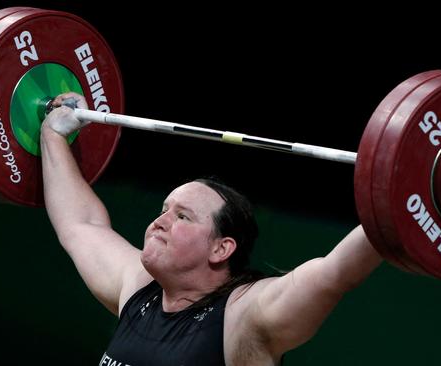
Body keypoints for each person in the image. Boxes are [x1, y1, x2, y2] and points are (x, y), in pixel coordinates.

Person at [40, 92, 383, 365]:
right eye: (164, 209)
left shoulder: (244, 317)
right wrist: (53, 133)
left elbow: (334, 274)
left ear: (222, 248)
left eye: (183, 217)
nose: (160, 221)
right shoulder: (139, 289)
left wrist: (397, 201)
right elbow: (80, 224)